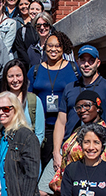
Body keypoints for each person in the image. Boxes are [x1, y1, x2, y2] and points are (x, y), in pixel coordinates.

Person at [54, 46, 106, 168]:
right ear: (77, 62)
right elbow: (61, 121)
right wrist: (56, 152)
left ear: (98, 63)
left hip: (94, 152)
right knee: (44, 185)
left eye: (91, 60)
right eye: (83, 60)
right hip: (69, 149)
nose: (86, 64)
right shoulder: (70, 88)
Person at [28, 29, 79, 167]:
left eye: (57, 46)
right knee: (44, 164)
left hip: (68, 126)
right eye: (50, 46)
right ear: (45, 47)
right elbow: (28, 97)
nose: (53, 49)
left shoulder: (74, 69)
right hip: (43, 126)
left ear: (64, 48)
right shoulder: (35, 70)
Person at [0, 59, 44, 145]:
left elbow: (40, 133)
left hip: (29, 153)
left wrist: (30, 151)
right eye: (10, 76)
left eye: (18, 75)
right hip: (4, 151)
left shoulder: (34, 100)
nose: (15, 80)